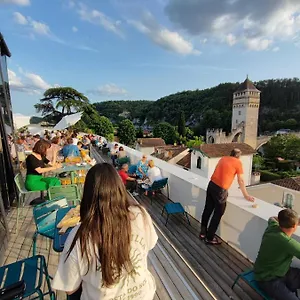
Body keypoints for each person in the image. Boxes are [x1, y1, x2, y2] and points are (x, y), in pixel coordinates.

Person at [52, 163, 158, 300]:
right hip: (144, 294)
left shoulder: (80, 236)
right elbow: (150, 244)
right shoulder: (140, 214)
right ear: (120, 189)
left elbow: (70, 288)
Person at [200, 148, 254, 245]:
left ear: (231, 154)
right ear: (239, 156)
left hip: (211, 184)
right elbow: (240, 180)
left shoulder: (223, 158)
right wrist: (246, 195)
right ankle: (209, 237)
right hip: (220, 189)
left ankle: (203, 232)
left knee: (207, 209)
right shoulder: (238, 163)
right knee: (218, 213)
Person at [254, 209, 300, 300]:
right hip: (268, 279)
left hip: (278, 271)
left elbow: (272, 218)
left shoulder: (273, 226)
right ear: (295, 226)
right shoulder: (287, 243)